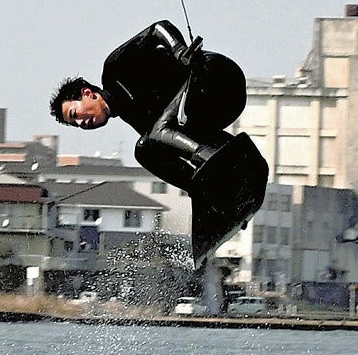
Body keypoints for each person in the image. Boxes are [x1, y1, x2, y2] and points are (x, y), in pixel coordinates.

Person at [50, 20, 268, 267]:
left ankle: (216, 171)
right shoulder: (138, 119)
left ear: (87, 93)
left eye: (75, 114)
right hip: (208, 108)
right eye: (75, 123)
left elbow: (157, 28)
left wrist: (179, 51)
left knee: (156, 134)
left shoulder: (114, 69)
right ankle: (213, 193)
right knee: (145, 149)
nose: (81, 123)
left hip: (216, 77)